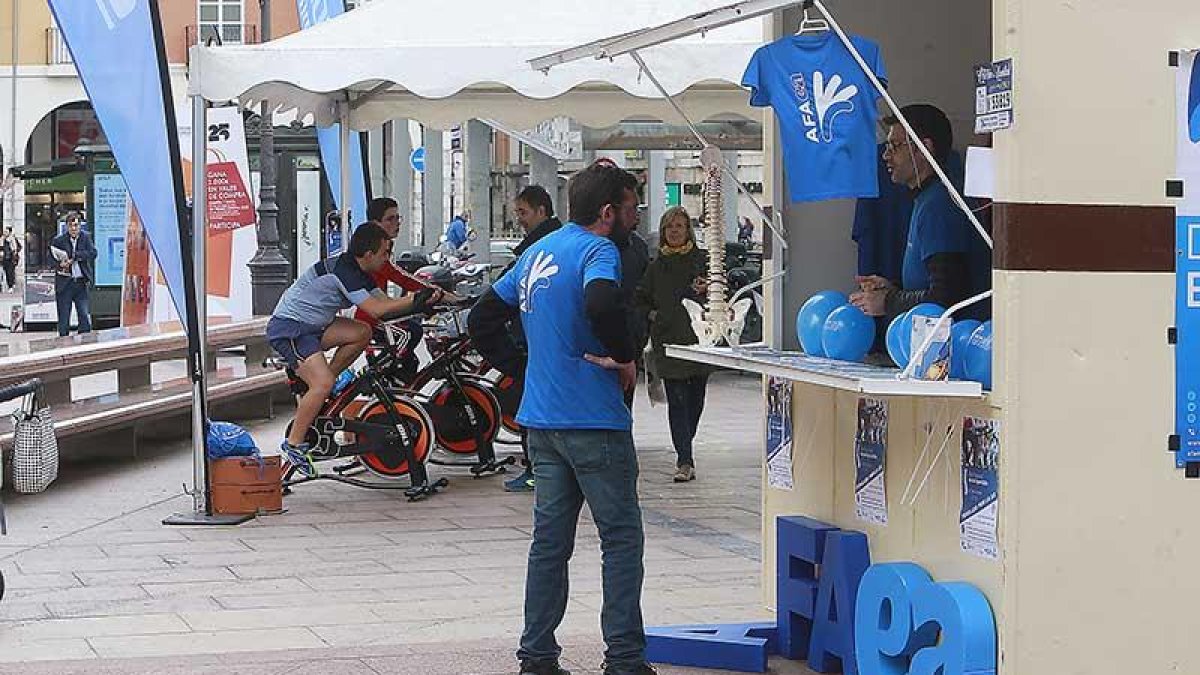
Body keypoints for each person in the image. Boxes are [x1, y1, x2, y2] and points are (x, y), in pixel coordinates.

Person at [468, 163, 655, 675]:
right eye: (632, 207)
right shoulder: (599, 250)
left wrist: (524, 367)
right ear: (608, 212)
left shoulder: (536, 252)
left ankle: (537, 656)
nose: (636, 217)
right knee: (621, 539)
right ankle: (624, 660)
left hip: (542, 423)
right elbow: (601, 301)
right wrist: (624, 356)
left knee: (549, 544)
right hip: (594, 419)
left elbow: (482, 318)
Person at [268, 221, 442, 476]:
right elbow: (376, 309)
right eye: (384, 253)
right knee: (322, 383)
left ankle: (325, 386)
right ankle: (293, 445)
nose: (388, 258)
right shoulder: (344, 271)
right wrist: (415, 298)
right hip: (291, 328)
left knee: (362, 332)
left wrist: (423, 302)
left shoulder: (360, 271)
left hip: (316, 326)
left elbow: (386, 303)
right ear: (369, 254)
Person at [851, 104, 990, 322]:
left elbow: (946, 296)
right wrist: (893, 290)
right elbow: (933, 287)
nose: (886, 155)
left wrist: (888, 301)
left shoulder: (940, 205)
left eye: (895, 146)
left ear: (924, 148)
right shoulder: (927, 198)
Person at [635, 207, 710, 483]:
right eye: (669, 227)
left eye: (679, 226)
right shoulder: (656, 266)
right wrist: (654, 316)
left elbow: (719, 292)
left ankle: (685, 443)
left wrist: (707, 292)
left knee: (696, 401)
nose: (675, 231)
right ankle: (684, 460)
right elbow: (640, 299)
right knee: (677, 401)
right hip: (667, 342)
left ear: (688, 230)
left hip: (699, 341)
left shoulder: (702, 261)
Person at [496, 185, 563, 492]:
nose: (519, 219)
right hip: (542, 337)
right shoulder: (551, 242)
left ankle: (538, 470)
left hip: (533, 339)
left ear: (541, 211)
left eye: (523, 212)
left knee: (533, 407)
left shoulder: (539, 248)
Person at [50, 213, 96, 337]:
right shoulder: (59, 240)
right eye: (71, 226)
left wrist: (76, 256)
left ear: (80, 226)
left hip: (80, 282)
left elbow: (92, 253)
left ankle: (84, 340)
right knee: (64, 317)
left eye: (76, 225)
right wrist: (60, 264)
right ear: (67, 226)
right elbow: (51, 259)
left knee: (84, 314)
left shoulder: (85, 238)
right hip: (65, 284)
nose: (73, 229)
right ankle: (64, 341)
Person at [1, 226, 21, 292]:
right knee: (7, 272)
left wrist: (14, 254)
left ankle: (11, 285)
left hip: (11, 258)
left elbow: (16, 248)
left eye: (6, 231)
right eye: (4, 231)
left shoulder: (12, 239)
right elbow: (1, 247)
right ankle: (10, 284)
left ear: (9, 232)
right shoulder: (2, 239)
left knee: (10, 272)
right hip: (4, 258)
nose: (4, 233)